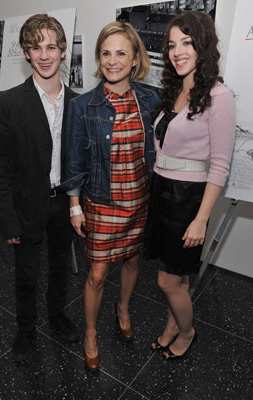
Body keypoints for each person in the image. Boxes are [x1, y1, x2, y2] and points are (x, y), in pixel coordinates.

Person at [64, 21, 159, 371]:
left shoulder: (150, 100)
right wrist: (75, 206)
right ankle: (90, 333)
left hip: (140, 200)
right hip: (102, 203)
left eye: (121, 52)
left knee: (133, 262)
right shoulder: (83, 106)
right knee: (98, 274)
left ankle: (123, 308)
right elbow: (74, 160)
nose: (112, 60)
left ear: (135, 58)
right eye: (106, 53)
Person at [0, 13, 79, 363]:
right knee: (26, 274)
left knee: (59, 268)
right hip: (25, 208)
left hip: (63, 205)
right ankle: (25, 329)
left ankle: (57, 316)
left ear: (63, 50)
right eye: (35, 47)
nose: (44, 54)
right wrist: (7, 221)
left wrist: (78, 206)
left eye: (51, 46)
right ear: (25, 53)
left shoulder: (77, 103)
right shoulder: (8, 103)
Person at [144, 11, 236, 359]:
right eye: (171, 45)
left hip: (189, 199)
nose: (177, 51)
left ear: (202, 46)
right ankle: (171, 326)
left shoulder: (219, 96)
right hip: (163, 190)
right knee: (177, 277)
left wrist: (201, 218)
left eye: (186, 42)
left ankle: (187, 331)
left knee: (167, 280)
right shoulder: (174, 89)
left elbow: (220, 165)